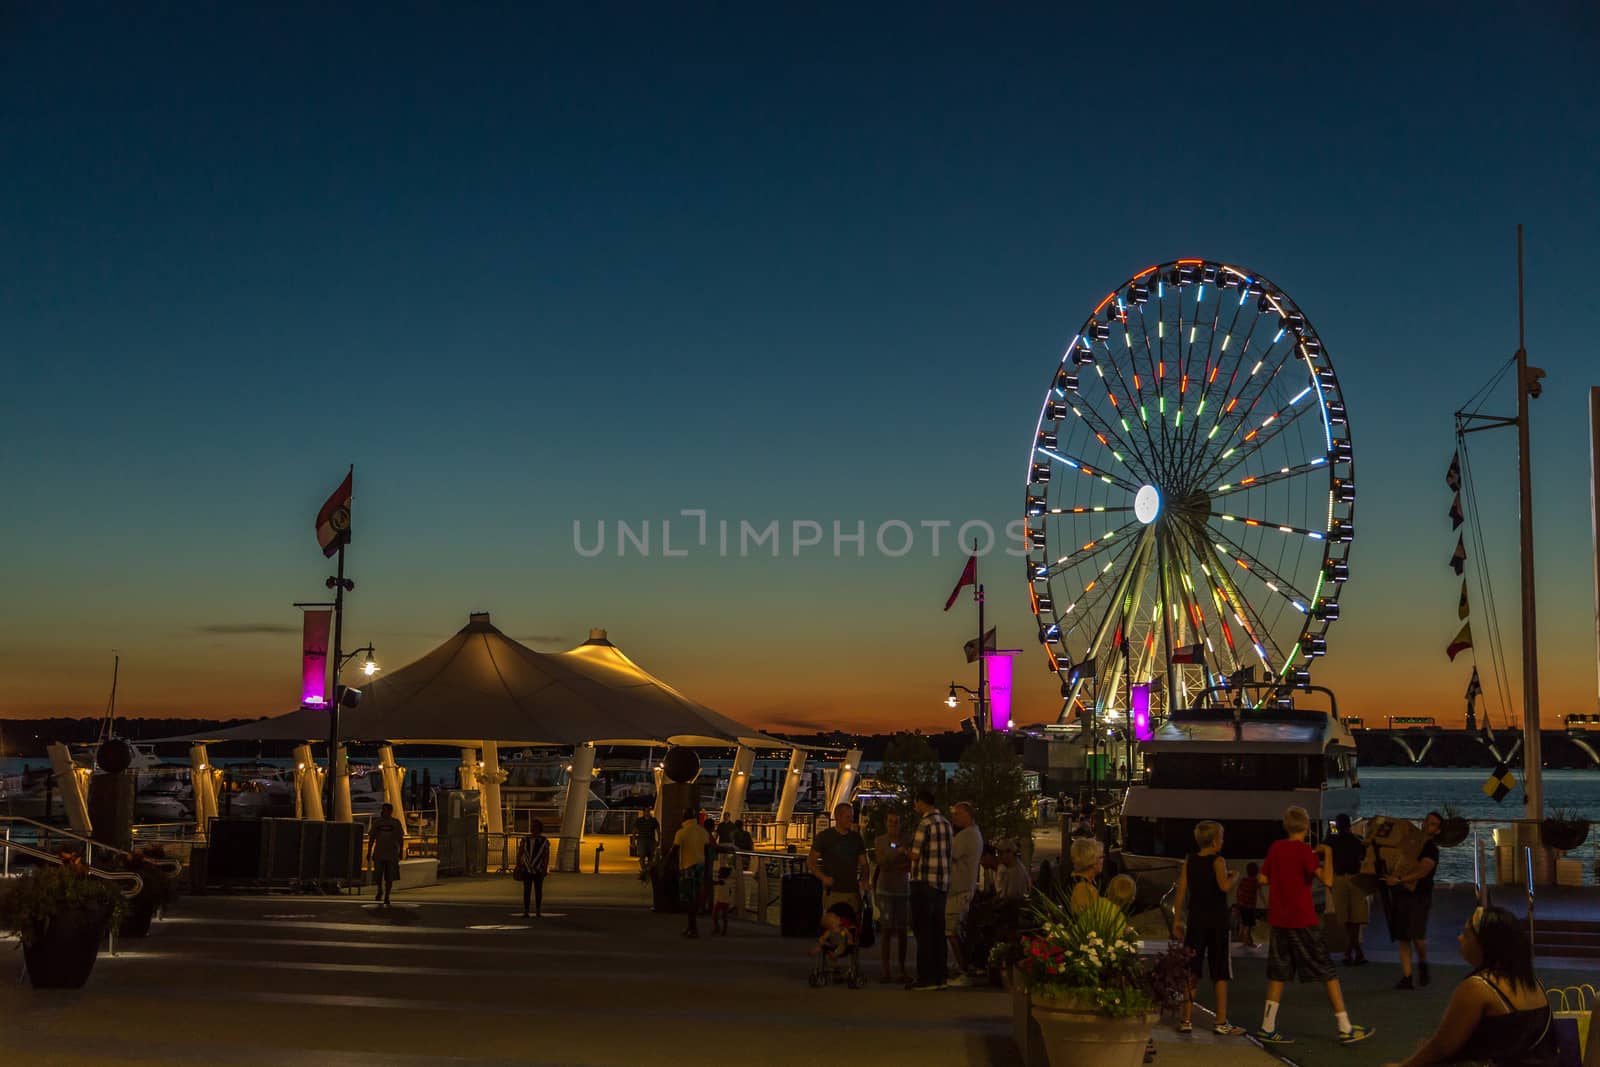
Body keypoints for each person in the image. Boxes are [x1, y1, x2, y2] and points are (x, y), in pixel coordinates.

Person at [1255, 804, 1374, 1046]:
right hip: (1302, 920)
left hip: (1279, 920)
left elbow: (1262, 878)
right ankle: (1345, 1027)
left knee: (1279, 973)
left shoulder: (1276, 848)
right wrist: (1327, 854)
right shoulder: (1305, 853)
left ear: (1285, 826)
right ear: (1307, 828)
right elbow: (1328, 880)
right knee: (1327, 972)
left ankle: (1267, 1026)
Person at [1380, 905, 1558, 1067]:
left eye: (1466, 933)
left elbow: (1442, 1047)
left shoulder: (1480, 987)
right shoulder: (1532, 982)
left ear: (1484, 944)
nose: (1459, 938)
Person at [1172, 820, 1246, 1037]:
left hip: (1196, 920)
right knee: (1220, 971)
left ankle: (1185, 1019)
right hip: (1216, 922)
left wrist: (1177, 919)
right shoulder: (1218, 861)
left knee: (1192, 970)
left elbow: (1181, 892)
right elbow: (1223, 886)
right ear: (1214, 841)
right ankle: (1221, 1021)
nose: (1222, 842)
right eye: (1221, 838)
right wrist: (1234, 876)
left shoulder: (1190, 861)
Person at [1388, 811, 1442, 989]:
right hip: (1402, 894)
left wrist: (1401, 879)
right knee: (1403, 937)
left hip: (1420, 895)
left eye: (1433, 824)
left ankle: (1423, 964)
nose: (1428, 824)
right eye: (1427, 821)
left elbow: (1423, 870)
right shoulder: (1409, 843)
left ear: (1438, 830)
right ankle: (1407, 976)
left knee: (1417, 936)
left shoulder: (1431, 849)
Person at [907, 789, 953, 991]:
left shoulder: (924, 824)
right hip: (942, 883)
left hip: (924, 882)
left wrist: (903, 851)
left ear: (921, 802)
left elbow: (915, 855)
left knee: (923, 931)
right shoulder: (946, 823)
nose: (915, 807)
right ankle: (940, 976)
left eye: (916, 803)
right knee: (938, 931)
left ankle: (925, 977)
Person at [943, 801, 983, 986]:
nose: (954, 818)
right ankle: (963, 967)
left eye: (958, 814)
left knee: (952, 931)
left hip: (959, 890)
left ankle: (963, 969)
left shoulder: (966, 836)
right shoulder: (974, 834)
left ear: (968, 815)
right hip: (964, 889)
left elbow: (949, 855)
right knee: (956, 930)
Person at [873, 809, 913, 984]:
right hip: (886, 889)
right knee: (886, 929)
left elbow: (910, 863)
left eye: (896, 821)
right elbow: (881, 863)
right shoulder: (880, 841)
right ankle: (885, 969)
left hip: (902, 890)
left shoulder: (908, 840)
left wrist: (892, 860)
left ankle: (902, 968)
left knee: (902, 930)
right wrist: (898, 853)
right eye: (890, 821)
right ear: (886, 823)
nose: (893, 825)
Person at [807, 802, 869, 917]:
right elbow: (810, 862)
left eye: (851, 816)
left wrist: (865, 880)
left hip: (852, 891)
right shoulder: (824, 837)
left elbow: (864, 863)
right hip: (833, 891)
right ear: (838, 817)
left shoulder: (856, 838)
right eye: (848, 817)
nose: (851, 820)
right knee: (833, 924)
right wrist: (823, 878)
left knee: (852, 925)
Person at [1328, 812, 1370, 965]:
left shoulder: (1333, 841)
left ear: (1337, 826)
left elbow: (1325, 844)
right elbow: (1365, 856)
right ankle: (1356, 950)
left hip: (1340, 878)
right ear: (1350, 825)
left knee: (1345, 916)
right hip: (1356, 878)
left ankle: (1349, 951)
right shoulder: (1357, 841)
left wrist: (1331, 830)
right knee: (1357, 917)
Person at [672, 807, 711, 938]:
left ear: (685, 817)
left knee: (689, 899)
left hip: (687, 867)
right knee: (695, 898)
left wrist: (664, 865)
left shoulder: (682, 832)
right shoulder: (702, 831)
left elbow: (674, 850)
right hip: (700, 866)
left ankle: (693, 927)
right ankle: (691, 926)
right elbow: (708, 845)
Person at [367, 802, 405, 906]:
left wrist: (401, 850)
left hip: (391, 853)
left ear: (390, 811)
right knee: (378, 875)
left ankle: (387, 895)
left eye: (387, 810)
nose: (384, 812)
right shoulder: (377, 823)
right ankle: (380, 890)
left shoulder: (396, 823)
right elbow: (372, 838)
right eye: (383, 810)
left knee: (389, 876)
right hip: (379, 852)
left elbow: (400, 838)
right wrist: (369, 851)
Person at [515, 818, 552, 918]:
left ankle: (538, 910)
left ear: (539, 828)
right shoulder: (525, 839)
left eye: (535, 827)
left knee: (538, 890)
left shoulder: (544, 841)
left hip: (538, 869)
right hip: (527, 868)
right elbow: (520, 853)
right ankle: (526, 910)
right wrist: (518, 865)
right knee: (527, 890)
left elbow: (546, 855)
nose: (533, 828)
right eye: (532, 826)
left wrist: (545, 868)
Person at [1068, 835, 1104, 912]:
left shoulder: (1072, 879)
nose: (1103, 860)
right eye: (1101, 857)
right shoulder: (1086, 890)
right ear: (1093, 862)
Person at [1235, 862, 1262, 948]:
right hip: (1250, 907)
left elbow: (1238, 892)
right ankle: (1245, 942)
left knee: (1244, 923)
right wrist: (1266, 904)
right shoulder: (1255, 882)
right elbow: (1261, 894)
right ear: (1257, 872)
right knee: (1248, 925)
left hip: (1242, 906)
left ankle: (1248, 941)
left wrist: (1239, 903)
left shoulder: (1243, 880)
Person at [711, 865, 734, 935]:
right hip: (726, 902)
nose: (718, 874)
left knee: (715, 915)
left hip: (721, 901)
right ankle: (724, 929)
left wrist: (709, 879)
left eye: (720, 873)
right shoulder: (728, 881)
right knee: (724, 917)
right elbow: (730, 891)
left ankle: (717, 928)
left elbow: (715, 883)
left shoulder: (722, 881)